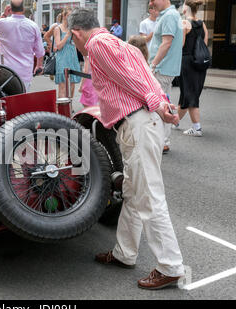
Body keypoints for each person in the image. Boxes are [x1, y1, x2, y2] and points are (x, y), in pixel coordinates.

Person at [68, 7, 185, 290]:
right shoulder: (119, 43)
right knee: (134, 193)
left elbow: (129, 80)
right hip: (143, 123)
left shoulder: (96, 45)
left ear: (76, 34)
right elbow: (145, 75)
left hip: (137, 122)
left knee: (148, 197)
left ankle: (170, 266)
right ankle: (124, 253)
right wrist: (160, 102)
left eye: (73, 41)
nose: (76, 46)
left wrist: (157, 104)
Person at [149, 0, 183, 153]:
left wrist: (153, 65)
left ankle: (161, 141)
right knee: (165, 103)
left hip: (161, 69)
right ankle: (163, 140)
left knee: (159, 105)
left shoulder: (169, 15)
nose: (151, 2)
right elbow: (178, 42)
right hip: (167, 68)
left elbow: (166, 43)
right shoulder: (173, 15)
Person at [0, 0, 44, 91]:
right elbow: (40, 51)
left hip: (6, 72)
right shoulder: (33, 26)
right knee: (22, 100)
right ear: (23, 9)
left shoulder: (3, 23)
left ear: (10, 9)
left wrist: (4, 15)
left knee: (6, 100)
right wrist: (39, 65)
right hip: (25, 72)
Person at [176, 0, 208, 137]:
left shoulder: (184, 23)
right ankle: (174, 121)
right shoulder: (202, 24)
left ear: (186, 8)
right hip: (200, 62)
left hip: (187, 61)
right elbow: (205, 43)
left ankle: (197, 128)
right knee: (186, 94)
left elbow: (181, 45)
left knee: (190, 94)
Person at [53, 7, 81, 99]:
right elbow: (59, 46)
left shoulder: (73, 28)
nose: (70, 18)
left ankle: (70, 106)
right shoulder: (58, 29)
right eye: (69, 16)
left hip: (72, 57)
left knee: (72, 84)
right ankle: (61, 108)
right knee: (62, 85)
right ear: (64, 16)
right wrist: (67, 35)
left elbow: (77, 45)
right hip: (62, 58)